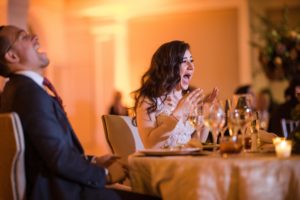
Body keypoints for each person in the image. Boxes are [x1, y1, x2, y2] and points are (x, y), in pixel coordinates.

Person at [0, 25, 159, 200]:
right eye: (24, 37)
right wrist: (105, 174)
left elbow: (45, 152)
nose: (35, 37)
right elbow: (58, 158)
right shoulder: (29, 93)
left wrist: (92, 161)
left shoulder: (14, 90)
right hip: (62, 193)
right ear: (12, 56)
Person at [132, 40, 218, 149]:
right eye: (184, 61)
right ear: (169, 66)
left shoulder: (187, 99)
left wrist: (206, 115)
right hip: (161, 164)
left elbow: (196, 144)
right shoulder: (148, 100)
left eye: (191, 60)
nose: (191, 66)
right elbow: (150, 145)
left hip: (185, 162)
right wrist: (178, 113)